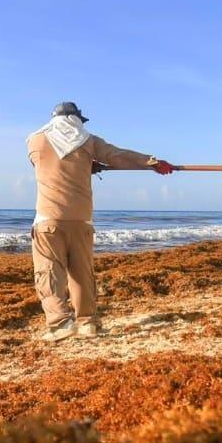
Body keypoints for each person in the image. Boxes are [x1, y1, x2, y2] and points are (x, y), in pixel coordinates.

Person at [27, 102, 174, 342]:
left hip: (48, 220)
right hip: (82, 220)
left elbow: (45, 164)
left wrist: (86, 166)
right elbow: (118, 156)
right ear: (77, 120)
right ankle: (87, 323)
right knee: (82, 274)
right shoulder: (88, 141)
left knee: (49, 272)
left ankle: (61, 323)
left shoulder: (35, 140)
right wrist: (152, 162)